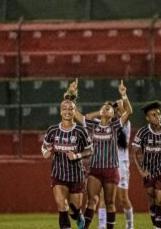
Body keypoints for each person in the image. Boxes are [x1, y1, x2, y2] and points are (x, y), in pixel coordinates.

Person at [66, 79, 133, 229]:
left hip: (111, 170)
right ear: (101, 111)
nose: (106, 108)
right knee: (92, 201)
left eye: (109, 108)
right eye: (104, 107)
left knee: (110, 203)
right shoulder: (92, 124)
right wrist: (71, 94)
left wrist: (124, 95)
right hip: (95, 170)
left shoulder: (116, 126)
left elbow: (129, 112)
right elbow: (73, 113)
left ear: (112, 114)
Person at [41, 98, 93, 229]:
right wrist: (45, 152)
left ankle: (78, 214)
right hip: (58, 174)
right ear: (60, 111)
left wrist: (77, 155)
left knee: (73, 211)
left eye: (71, 109)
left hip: (76, 175)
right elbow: (45, 146)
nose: (67, 111)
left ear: (75, 111)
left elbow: (90, 150)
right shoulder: (52, 130)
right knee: (62, 205)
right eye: (64, 108)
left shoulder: (81, 131)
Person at [132, 101, 161, 229]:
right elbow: (134, 152)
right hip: (148, 170)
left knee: (160, 198)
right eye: (153, 115)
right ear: (147, 118)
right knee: (152, 199)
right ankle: (155, 220)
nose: (157, 116)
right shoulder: (143, 132)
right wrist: (141, 170)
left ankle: (158, 227)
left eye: (158, 114)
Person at [97, 100, 134, 229]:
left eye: (119, 111)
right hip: (106, 165)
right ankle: (101, 226)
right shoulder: (104, 126)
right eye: (115, 111)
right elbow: (88, 118)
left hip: (122, 166)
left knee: (123, 198)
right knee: (103, 197)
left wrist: (122, 102)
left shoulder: (125, 126)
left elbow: (128, 113)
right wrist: (103, 112)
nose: (117, 113)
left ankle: (130, 225)